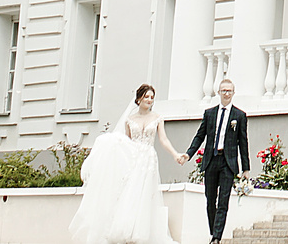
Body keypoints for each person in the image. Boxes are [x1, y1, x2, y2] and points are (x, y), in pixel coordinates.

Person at [70, 83, 185, 244]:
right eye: (146, 97)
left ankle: (141, 234)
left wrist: (175, 154)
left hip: (149, 160)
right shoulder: (130, 120)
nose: (149, 100)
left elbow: (163, 139)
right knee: (130, 196)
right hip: (134, 159)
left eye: (152, 97)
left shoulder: (158, 118)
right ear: (139, 99)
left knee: (145, 197)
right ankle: (126, 231)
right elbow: (127, 142)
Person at [183, 77, 251, 244]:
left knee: (223, 201)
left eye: (229, 91)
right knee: (210, 199)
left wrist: (246, 168)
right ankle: (214, 231)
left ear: (233, 93)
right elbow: (200, 136)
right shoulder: (210, 113)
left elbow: (243, 142)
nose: (226, 93)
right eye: (224, 90)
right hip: (211, 160)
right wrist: (188, 154)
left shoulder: (239, 116)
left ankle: (216, 238)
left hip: (228, 163)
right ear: (218, 92)